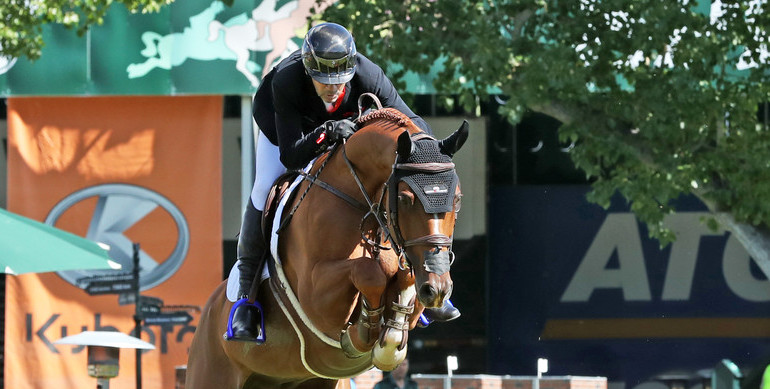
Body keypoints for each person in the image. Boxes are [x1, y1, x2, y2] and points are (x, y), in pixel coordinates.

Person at [226, 22, 460, 342]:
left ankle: (430, 285)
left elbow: (411, 123)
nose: (333, 88)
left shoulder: (368, 74)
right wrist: (327, 132)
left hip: (346, 128)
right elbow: (293, 156)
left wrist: (426, 154)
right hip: (287, 131)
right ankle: (246, 299)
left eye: (340, 80)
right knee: (264, 187)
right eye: (324, 81)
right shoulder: (287, 81)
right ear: (310, 72)